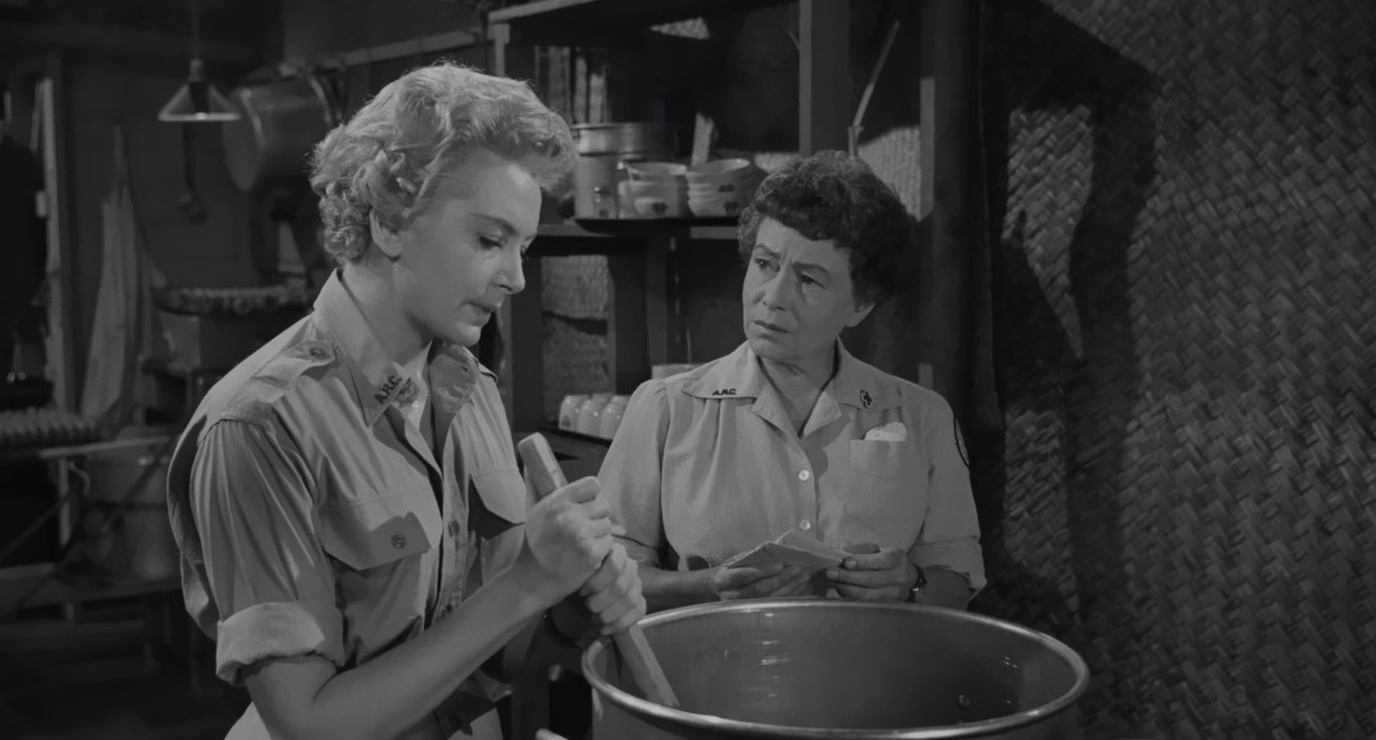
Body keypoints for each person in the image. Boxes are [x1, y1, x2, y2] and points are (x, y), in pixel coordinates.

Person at [166, 63, 644, 740]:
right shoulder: (260, 427)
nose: (515, 278)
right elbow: (310, 726)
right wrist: (528, 586)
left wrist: (565, 613)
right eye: (490, 240)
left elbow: (486, 656)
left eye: (524, 247)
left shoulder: (470, 390)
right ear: (389, 222)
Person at [600, 151, 984, 613]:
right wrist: (705, 587)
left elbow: (957, 582)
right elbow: (603, 574)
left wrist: (911, 584)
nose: (774, 297)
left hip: (868, 660)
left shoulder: (921, 416)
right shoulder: (667, 408)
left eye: (809, 280)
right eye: (765, 264)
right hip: (713, 658)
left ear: (860, 305)